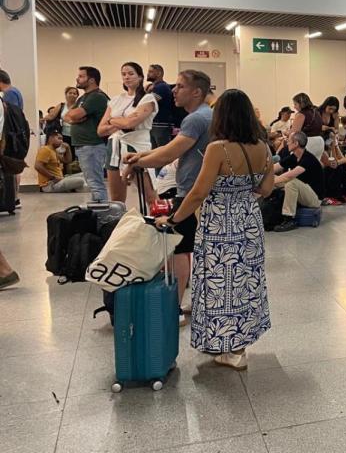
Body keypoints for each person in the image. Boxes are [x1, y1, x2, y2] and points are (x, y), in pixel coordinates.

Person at [154, 89, 274, 371]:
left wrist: (173, 219)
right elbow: (267, 188)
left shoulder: (218, 149)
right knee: (245, 282)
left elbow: (198, 193)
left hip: (220, 224)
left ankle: (230, 348)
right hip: (249, 221)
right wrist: (243, 190)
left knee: (220, 283)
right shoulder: (263, 148)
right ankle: (239, 344)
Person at [124, 69, 214, 308]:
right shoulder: (204, 115)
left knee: (179, 249)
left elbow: (168, 155)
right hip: (196, 190)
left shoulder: (196, 118)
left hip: (191, 193)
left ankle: (174, 308)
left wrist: (137, 163)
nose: (174, 90)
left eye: (180, 86)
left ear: (196, 92)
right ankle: (194, 303)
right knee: (190, 248)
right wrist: (141, 156)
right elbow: (171, 147)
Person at [98, 62, 158, 204]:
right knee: (116, 199)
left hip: (137, 145)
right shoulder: (115, 100)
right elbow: (101, 130)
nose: (127, 77)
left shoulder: (148, 99)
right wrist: (120, 122)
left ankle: (156, 217)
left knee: (150, 196)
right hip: (115, 146)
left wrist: (112, 120)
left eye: (131, 74)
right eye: (124, 74)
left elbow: (130, 124)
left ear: (140, 77)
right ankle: (119, 217)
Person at [64, 66, 109, 202]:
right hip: (85, 145)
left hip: (92, 145)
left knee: (95, 183)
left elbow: (74, 114)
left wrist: (74, 117)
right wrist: (74, 118)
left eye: (81, 76)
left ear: (91, 80)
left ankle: (101, 209)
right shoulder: (83, 98)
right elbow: (67, 116)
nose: (77, 79)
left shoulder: (97, 97)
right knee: (92, 182)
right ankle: (98, 207)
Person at [271, 131, 324, 232]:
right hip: (304, 192)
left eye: (289, 140)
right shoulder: (294, 157)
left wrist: (270, 181)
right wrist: (260, 174)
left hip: (315, 199)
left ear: (296, 143)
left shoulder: (308, 159)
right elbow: (276, 167)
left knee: (292, 182)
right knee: (274, 178)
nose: (287, 142)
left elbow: (290, 175)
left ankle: (289, 219)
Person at [320, 129, 346, 206]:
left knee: (344, 166)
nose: (333, 139)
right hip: (324, 174)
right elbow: (332, 163)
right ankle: (332, 196)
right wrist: (333, 147)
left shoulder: (334, 148)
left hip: (332, 170)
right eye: (331, 137)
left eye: (334, 137)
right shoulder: (323, 151)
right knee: (337, 168)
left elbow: (345, 160)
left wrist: (335, 147)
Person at [44, 86, 80, 158]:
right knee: (64, 153)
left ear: (77, 96)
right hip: (64, 133)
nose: (72, 95)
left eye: (74, 93)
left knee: (76, 154)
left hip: (77, 134)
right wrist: (41, 119)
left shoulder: (79, 106)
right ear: (66, 95)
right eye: (70, 93)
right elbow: (51, 116)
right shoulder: (62, 105)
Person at [146, 64, 176, 148]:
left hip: (161, 125)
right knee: (154, 151)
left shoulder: (161, 87)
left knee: (162, 150)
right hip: (156, 125)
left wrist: (145, 93)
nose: (148, 74)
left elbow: (148, 103)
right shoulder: (155, 87)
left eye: (151, 72)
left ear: (159, 73)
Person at [288, 93, 324, 158]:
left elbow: (294, 133)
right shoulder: (316, 113)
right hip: (320, 142)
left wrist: (287, 133)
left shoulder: (301, 115)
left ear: (301, 103)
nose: (294, 107)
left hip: (307, 143)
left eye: (295, 104)